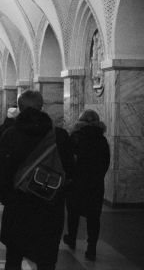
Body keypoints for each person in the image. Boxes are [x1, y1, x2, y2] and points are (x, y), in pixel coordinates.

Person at [0, 90, 74, 270]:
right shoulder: (59, 136)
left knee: (13, 259)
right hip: (49, 209)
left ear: (19, 108)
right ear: (42, 107)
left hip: (18, 206)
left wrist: (9, 199)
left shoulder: (10, 135)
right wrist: (57, 197)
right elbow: (70, 172)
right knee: (46, 260)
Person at [63, 110, 110, 261]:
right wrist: (97, 177)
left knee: (73, 213)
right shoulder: (102, 140)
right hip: (95, 184)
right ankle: (91, 248)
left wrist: (70, 177)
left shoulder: (75, 138)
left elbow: (68, 161)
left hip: (76, 183)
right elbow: (105, 163)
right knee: (94, 217)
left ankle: (71, 238)